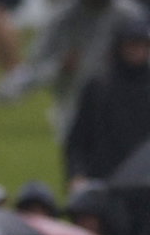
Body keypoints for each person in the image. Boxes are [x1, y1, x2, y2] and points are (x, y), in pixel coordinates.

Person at [64, 16, 150, 184]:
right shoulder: (98, 87)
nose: (138, 51)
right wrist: (76, 175)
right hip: (104, 178)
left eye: (144, 45)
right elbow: (78, 138)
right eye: (133, 44)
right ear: (120, 47)